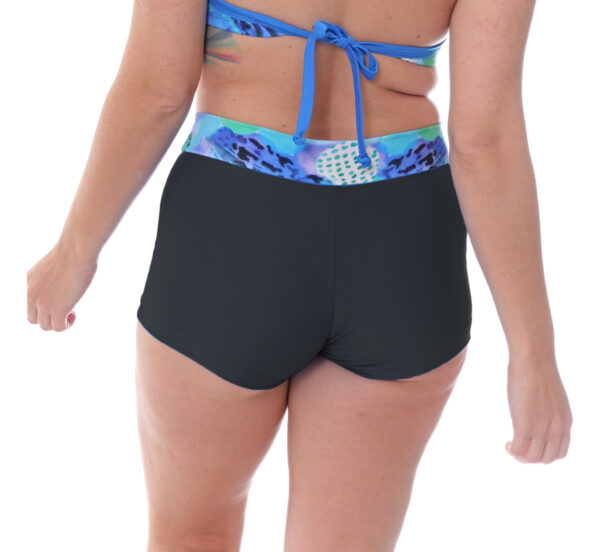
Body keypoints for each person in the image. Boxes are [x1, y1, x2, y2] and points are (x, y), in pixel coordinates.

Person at [26, 0, 573, 550]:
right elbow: (484, 140)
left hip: (233, 231)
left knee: (193, 536)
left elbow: (158, 92)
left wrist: (75, 252)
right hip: (402, 248)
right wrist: (534, 356)